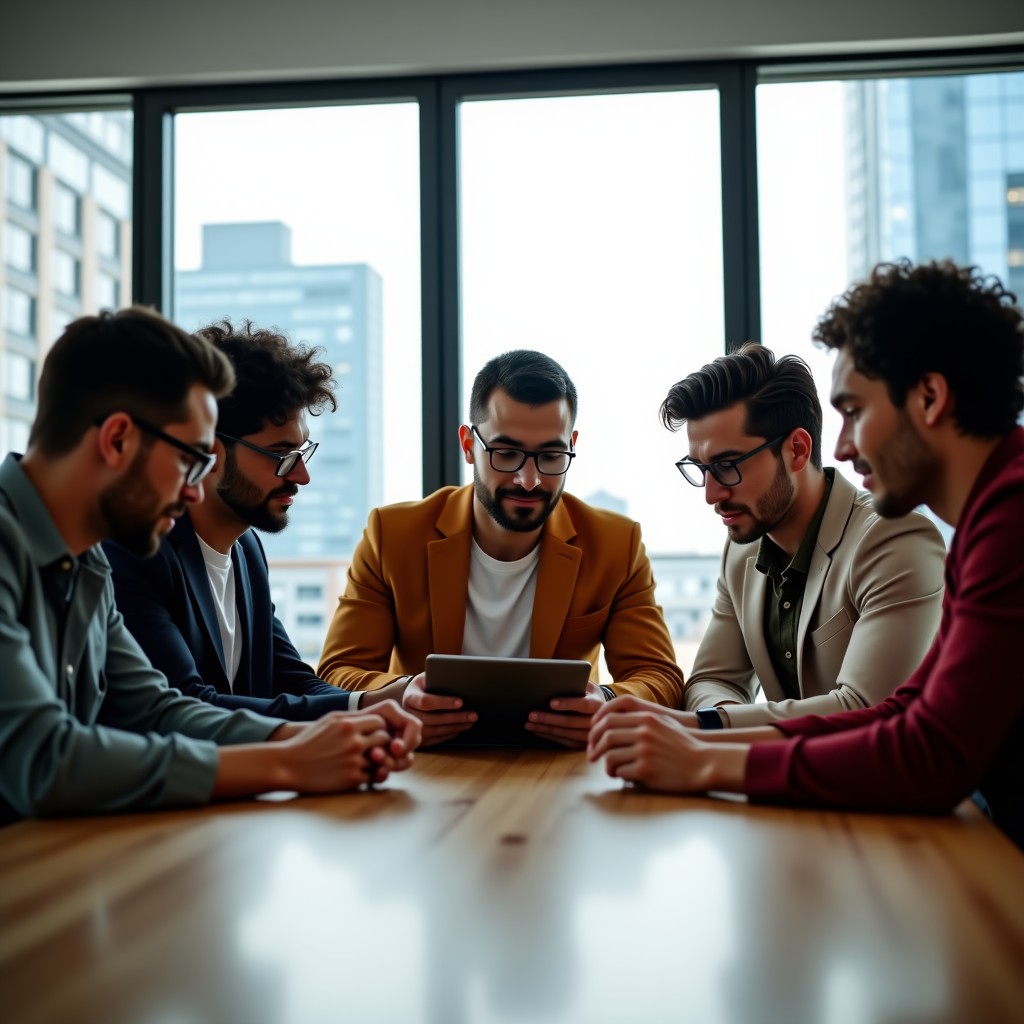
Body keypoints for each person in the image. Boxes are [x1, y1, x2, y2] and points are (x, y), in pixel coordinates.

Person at [588, 260, 1024, 848]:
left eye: (855, 411)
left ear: (929, 397)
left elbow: (929, 752)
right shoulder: (988, 520)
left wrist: (705, 760)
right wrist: (690, 733)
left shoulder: (1008, 518)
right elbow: (903, 713)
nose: (841, 447)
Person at [0, 307, 419, 823]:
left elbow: (157, 710)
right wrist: (286, 763)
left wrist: (322, 737)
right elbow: (45, 761)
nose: (197, 489)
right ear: (117, 440)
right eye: (191, 460)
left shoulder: (87, 562)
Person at [317, 349, 684, 747]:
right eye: (506, 454)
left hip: (559, 768)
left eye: (550, 456)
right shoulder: (393, 535)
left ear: (572, 445)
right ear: (468, 445)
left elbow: (660, 678)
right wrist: (402, 693)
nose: (529, 480)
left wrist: (607, 700)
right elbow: (338, 672)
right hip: (425, 762)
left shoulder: (616, 544)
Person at [104, 319, 390, 720]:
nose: (301, 476)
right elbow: (186, 707)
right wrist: (368, 712)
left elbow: (291, 679)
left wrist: (389, 700)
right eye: (281, 456)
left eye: (302, 453)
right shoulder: (137, 549)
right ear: (209, 450)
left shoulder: (246, 548)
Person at [660, 343, 944, 728]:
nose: (711, 494)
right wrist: (717, 719)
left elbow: (866, 711)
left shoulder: (894, 540)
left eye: (727, 466)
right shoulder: (741, 552)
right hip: (783, 781)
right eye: (701, 468)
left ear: (796, 449)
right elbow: (712, 680)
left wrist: (711, 727)